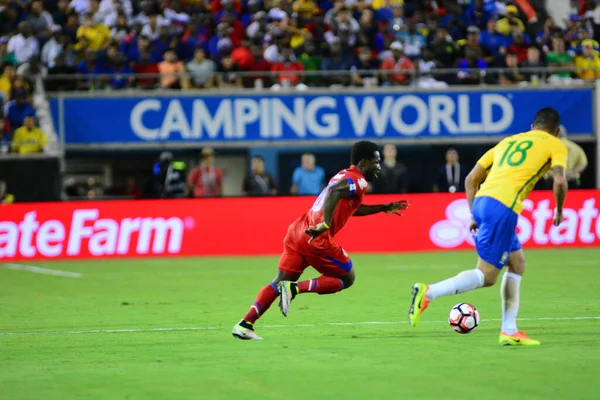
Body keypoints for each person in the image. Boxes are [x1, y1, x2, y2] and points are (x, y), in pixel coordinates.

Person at [409, 107, 568, 346]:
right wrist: (559, 208)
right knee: (487, 275)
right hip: (504, 207)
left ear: (532, 127)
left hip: (483, 201)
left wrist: (475, 213)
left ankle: (509, 330)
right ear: (555, 131)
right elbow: (559, 179)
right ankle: (428, 292)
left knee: (517, 264)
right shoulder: (556, 145)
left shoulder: (507, 142)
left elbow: (470, 179)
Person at [232, 141, 409, 340]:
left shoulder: (344, 174)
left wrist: (383, 207)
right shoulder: (359, 181)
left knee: (279, 280)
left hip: (299, 231)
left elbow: (351, 207)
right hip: (317, 238)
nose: (379, 166)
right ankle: (294, 289)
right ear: (364, 162)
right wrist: (325, 225)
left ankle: (245, 324)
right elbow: (334, 193)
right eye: (376, 162)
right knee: (347, 278)